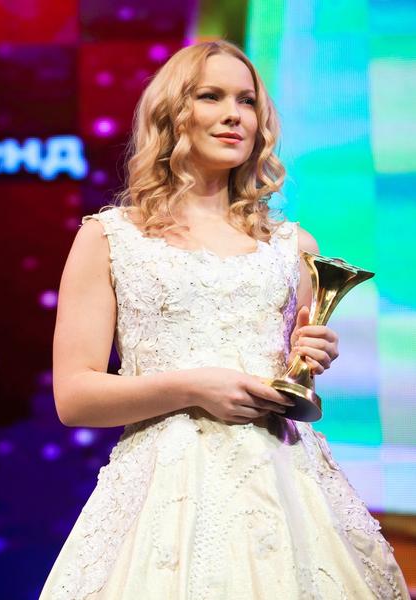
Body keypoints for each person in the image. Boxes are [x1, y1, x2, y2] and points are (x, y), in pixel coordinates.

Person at [40, 41, 407, 599]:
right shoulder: (110, 238)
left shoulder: (293, 246)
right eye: (211, 96)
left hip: (286, 486)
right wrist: (194, 387)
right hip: (164, 494)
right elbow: (74, 397)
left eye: (247, 100)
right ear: (172, 113)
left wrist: (310, 359)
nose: (234, 114)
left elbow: (294, 384)